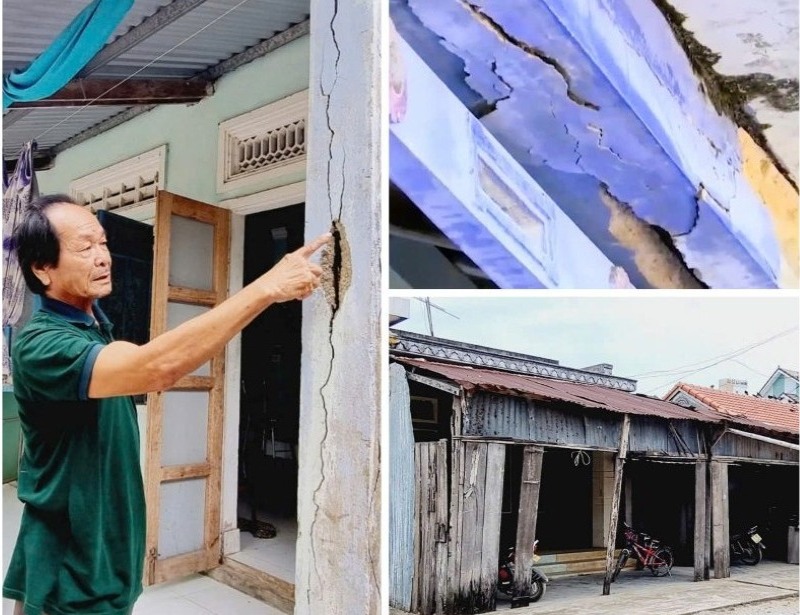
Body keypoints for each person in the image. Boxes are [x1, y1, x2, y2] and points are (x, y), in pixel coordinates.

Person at [2, 194, 330, 615]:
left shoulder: (93, 331)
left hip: (102, 562)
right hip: (69, 571)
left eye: (103, 243)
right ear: (41, 268)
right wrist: (266, 288)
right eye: (85, 248)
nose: (103, 257)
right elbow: (157, 367)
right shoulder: (43, 345)